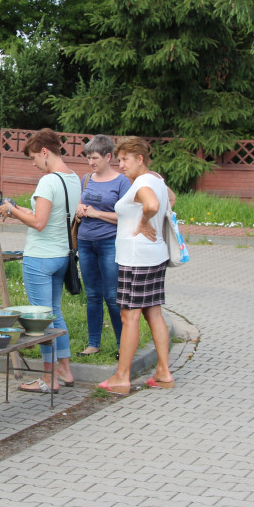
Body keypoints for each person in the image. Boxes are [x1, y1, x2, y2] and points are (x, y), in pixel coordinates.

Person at [0, 128, 79, 393]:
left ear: (45, 152)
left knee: (42, 320)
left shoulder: (48, 181)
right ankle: (64, 370)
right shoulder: (74, 178)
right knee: (55, 313)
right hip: (61, 256)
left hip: (40, 258)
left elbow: (39, 223)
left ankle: (49, 378)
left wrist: (11, 211)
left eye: (33, 158)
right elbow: (55, 215)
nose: (33, 164)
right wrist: (21, 210)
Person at [99, 136, 175, 394]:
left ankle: (121, 377)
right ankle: (164, 372)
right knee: (153, 312)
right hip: (155, 255)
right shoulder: (157, 180)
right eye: (119, 160)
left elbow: (153, 205)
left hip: (136, 258)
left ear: (140, 159)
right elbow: (170, 200)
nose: (121, 165)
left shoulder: (143, 182)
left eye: (125, 159)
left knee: (129, 316)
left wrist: (143, 223)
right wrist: (150, 222)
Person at [73, 135, 130, 358]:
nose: (91, 162)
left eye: (95, 158)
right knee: (93, 295)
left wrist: (97, 213)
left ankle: (122, 345)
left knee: (112, 296)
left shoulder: (121, 182)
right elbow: (80, 202)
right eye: (88, 158)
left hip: (109, 243)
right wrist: (80, 209)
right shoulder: (87, 179)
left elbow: (126, 216)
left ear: (108, 156)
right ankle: (93, 343)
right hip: (86, 243)